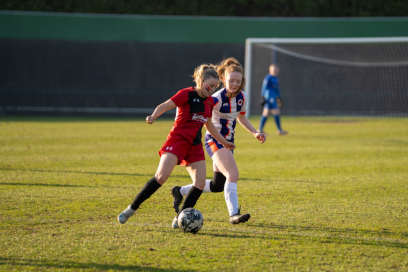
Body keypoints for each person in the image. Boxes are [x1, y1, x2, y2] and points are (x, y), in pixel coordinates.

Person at [117, 64, 234, 224]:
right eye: (210, 85)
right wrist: (153, 116)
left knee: (199, 184)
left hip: (194, 145)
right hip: (177, 140)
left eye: (215, 86)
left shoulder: (209, 102)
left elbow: (209, 126)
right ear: (200, 80)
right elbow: (165, 105)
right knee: (161, 177)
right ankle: (131, 209)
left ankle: (180, 218)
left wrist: (224, 142)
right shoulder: (186, 94)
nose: (212, 89)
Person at [171, 57, 265, 226]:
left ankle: (180, 191)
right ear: (223, 79)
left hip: (228, 142)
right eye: (231, 80)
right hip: (214, 140)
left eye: (238, 80)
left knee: (218, 185)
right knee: (233, 174)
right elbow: (203, 118)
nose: (235, 83)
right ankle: (234, 214)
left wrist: (255, 132)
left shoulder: (242, 97)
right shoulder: (215, 98)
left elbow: (242, 118)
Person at [259, 64, 288, 135]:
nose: (275, 71)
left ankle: (260, 129)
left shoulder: (276, 79)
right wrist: (263, 97)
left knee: (266, 113)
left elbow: (277, 89)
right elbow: (264, 87)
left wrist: (278, 97)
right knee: (274, 112)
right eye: (273, 70)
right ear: (270, 70)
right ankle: (279, 130)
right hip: (269, 98)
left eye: (276, 69)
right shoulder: (268, 78)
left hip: (273, 97)